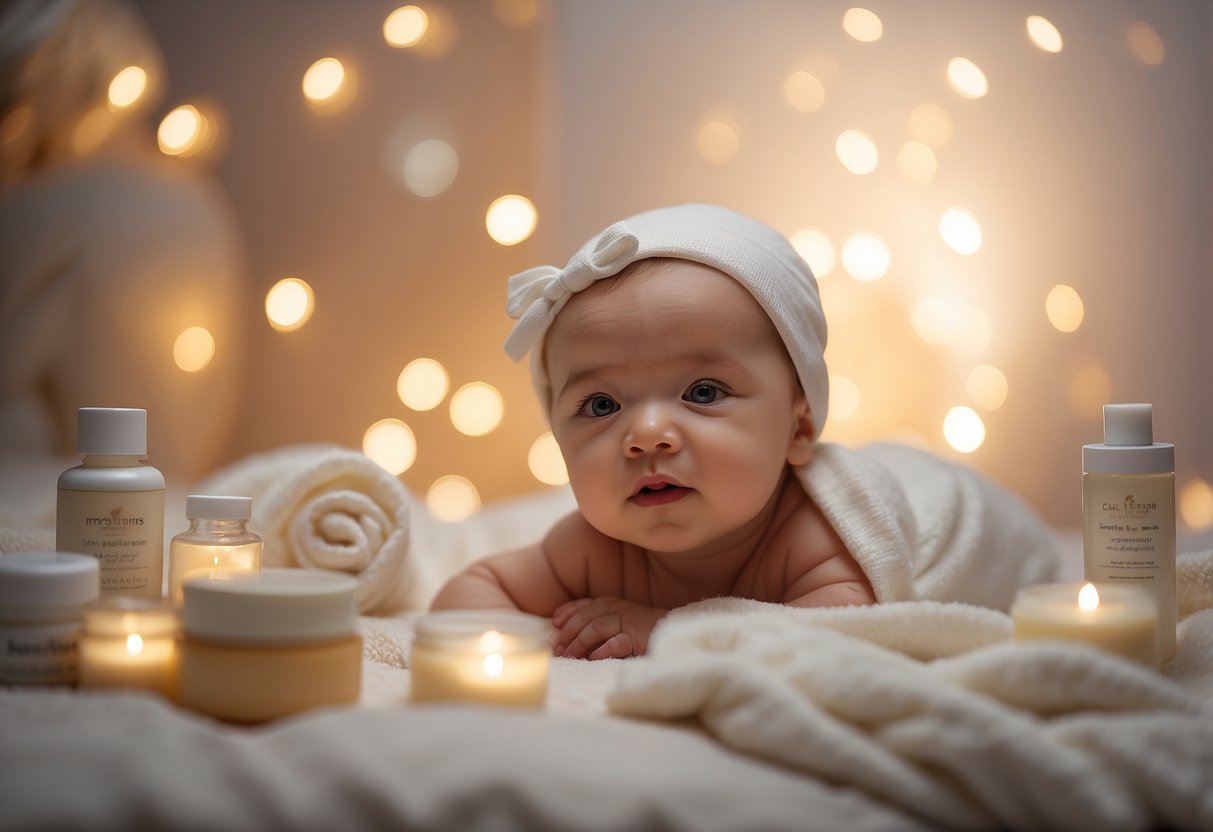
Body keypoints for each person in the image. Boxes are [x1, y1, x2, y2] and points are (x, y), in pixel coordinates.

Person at [431, 204, 1058, 659]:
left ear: (798, 429)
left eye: (702, 393)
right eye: (600, 405)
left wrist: (660, 629)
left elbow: (847, 633)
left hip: (963, 515)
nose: (646, 434)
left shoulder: (810, 534)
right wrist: (543, 644)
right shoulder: (593, 548)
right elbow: (472, 592)